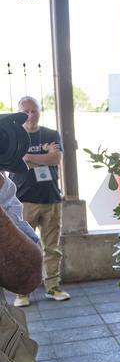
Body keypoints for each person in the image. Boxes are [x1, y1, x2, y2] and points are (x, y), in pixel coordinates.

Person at [11, 97, 70, 306]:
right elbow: (18, 160)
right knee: (22, 248)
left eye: (34, 110)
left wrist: (28, 157)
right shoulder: (14, 137)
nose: (30, 115)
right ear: (19, 112)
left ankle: (53, 287)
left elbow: (56, 159)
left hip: (51, 198)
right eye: (26, 111)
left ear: (39, 111)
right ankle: (22, 293)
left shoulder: (51, 134)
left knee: (52, 247)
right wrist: (44, 155)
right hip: (23, 200)